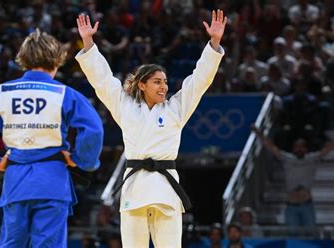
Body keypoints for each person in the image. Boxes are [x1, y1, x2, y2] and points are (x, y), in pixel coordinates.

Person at [76, 10, 227, 247]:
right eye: (157, 82)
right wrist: (88, 42)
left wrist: (214, 43)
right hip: (135, 189)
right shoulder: (125, 107)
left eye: (165, 82)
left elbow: (199, 82)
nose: (164, 87)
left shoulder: (175, 109)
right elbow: (102, 81)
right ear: (142, 84)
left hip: (166, 191)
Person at [0, 28, 104, 247]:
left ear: (24, 60)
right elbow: (94, 128)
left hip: (16, 180)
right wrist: (79, 159)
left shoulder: (1, 93)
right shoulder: (64, 93)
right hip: (52, 180)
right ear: (57, 61)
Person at [251, 124, 334, 229]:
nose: (299, 149)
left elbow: (328, 148)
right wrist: (259, 134)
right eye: (297, 147)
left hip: (306, 204)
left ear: (306, 149)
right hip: (291, 205)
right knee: (292, 236)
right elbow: (271, 147)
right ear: (293, 149)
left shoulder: (312, 159)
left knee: (310, 234)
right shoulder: (287, 159)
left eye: (302, 147)